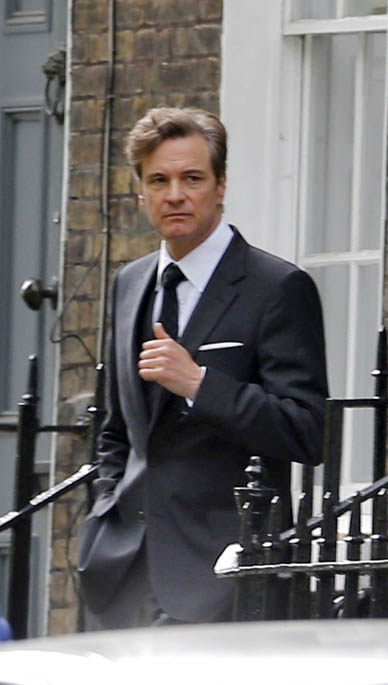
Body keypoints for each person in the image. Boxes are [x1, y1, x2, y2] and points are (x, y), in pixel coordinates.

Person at [76, 107, 329, 629]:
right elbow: (117, 429)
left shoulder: (276, 287)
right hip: (123, 571)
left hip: (222, 576)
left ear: (221, 186)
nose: (175, 194)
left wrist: (198, 384)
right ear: (140, 192)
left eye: (192, 178)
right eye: (159, 181)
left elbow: (306, 431)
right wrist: (106, 508)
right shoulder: (130, 283)